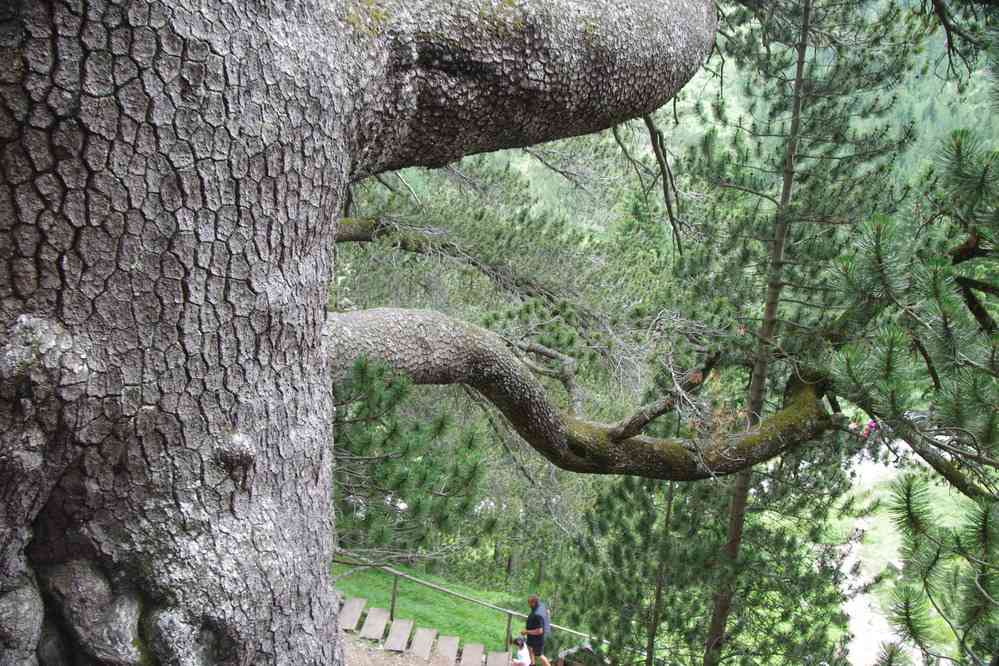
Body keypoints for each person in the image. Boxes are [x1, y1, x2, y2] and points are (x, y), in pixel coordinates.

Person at [521, 595, 552, 666]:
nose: (528, 604)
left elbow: (539, 631)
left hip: (538, 638)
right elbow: (548, 611)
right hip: (531, 635)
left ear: (534, 602)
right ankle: (532, 664)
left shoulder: (538, 615)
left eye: (529, 603)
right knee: (529, 647)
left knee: (539, 655)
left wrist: (526, 631)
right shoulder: (541, 605)